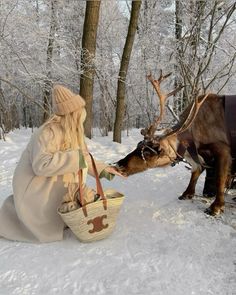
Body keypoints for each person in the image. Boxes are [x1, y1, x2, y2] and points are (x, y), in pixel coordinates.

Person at [0, 85, 123, 243]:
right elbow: (41, 165)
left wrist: (105, 170)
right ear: (71, 115)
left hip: (53, 185)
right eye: (80, 115)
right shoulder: (47, 132)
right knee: (43, 223)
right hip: (36, 187)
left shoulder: (73, 133)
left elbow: (84, 158)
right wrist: (74, 158)